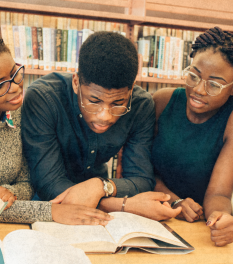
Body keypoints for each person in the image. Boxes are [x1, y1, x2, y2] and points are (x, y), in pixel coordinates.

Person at [21, 31, 181, 221]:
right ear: (76, 82)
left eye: (118, 103)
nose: (105, 116)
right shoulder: (43, 98)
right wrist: (123, 205)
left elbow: (142, 179)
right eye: (94, 101)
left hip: (105, 202)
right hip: (49, 209)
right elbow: (48, 184)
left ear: (131, 89)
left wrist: (100, 186)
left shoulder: (140, 105)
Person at [0, 30, 113, 225]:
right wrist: (52, 212)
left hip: (9, 223)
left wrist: (8, 193)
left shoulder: (21, 112)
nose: (14, 87)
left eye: (14, 73)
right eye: (0, 85)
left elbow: (28, 184)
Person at [152, 27, 233, 246]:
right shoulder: (161, 102)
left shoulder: (230, 121)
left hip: (195, 227)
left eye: (215, 84)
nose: (199, 89)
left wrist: (220, 218)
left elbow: (219, 194)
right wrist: (174, 200)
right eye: (193, 75)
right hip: (150, 214)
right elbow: (140, 171)